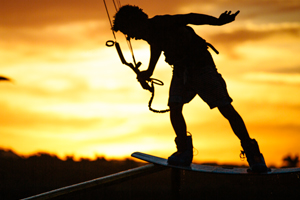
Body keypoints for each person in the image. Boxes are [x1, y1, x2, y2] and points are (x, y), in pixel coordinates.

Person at [112, 5, 269, 172]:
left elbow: (190, 17)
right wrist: (149, 71)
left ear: (136, 23)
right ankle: (184, 152)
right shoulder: (150, 34)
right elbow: (157, 46)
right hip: (181, 70)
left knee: (226, 109)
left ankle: (253, 154)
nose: (131, 37)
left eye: (128, 31)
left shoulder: (161, 22)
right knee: (175, 107)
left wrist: (217, 22)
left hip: (201, 66)